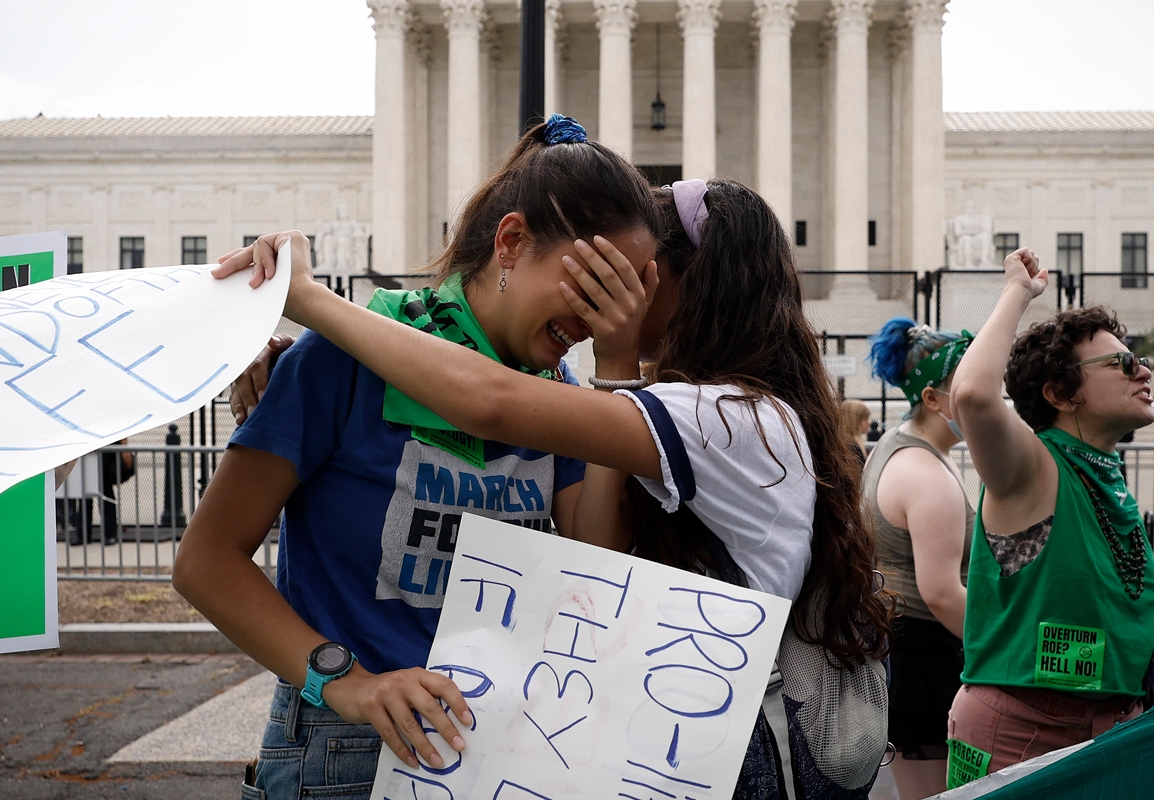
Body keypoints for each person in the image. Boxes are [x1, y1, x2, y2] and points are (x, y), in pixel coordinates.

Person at [224, 175, 895, 799]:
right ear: (511, 245)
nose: (609, 298)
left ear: (683, 284)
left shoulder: (724, 416)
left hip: (699, 749)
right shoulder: (679, 410)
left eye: (633, 276)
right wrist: (313, 357)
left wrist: (311, 302)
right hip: (444, 740)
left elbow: (490, 403)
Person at [173, 116, 663, 800]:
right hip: (350, 746)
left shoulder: (559, 396)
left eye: (624, 297)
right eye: (592, 285)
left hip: (500, 746)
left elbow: (599, 560)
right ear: (512, 244)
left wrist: (616, 364)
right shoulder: (335, 363)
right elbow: (206, 560)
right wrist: (347, 683)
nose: (601, 316)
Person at [943, 248, 1154, 788]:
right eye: (1123, 363)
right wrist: (1018, 293)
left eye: (1137, 358)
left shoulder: (1104, 474)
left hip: (1111, 729)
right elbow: (973, 395)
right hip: (1022, 735)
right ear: (1060, 393)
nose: (1144, 370)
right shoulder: (1035, 465)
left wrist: (1153, 630)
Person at [861, 319, 976, 800]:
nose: (985, 394)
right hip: (926, 660)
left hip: (908, 654)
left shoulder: (897, 446)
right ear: (932, 399)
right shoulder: (925, 473)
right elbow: (943, 593)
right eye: (968, 387)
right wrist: (1014, 645)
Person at [840, 399, 871, 466]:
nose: (869, 423)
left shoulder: (844, 442)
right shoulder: (851, 446)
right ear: (855, 421)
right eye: (865, 419)